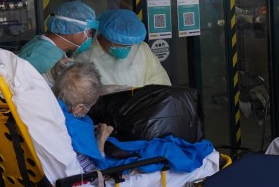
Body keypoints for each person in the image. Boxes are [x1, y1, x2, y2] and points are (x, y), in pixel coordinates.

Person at [53, 61, 213, 174]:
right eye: (89, 107)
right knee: (164, 149)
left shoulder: (51, 113)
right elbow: (94, 176)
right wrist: (100, 141)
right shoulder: (73, 129)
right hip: (96, 179)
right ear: (79, 107)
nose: (88, 113)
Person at [78, 9, 170, 89]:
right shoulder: (85, 56)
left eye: (130, 45)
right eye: (120, 44)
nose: (127, 49)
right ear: (105, 36)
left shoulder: (142, 49)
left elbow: (161, 81)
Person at [18, 0, 98, 80]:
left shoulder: (45, 46)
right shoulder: (42, 57)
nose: (90, 37)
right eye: (90, 32)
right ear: (72, 29)